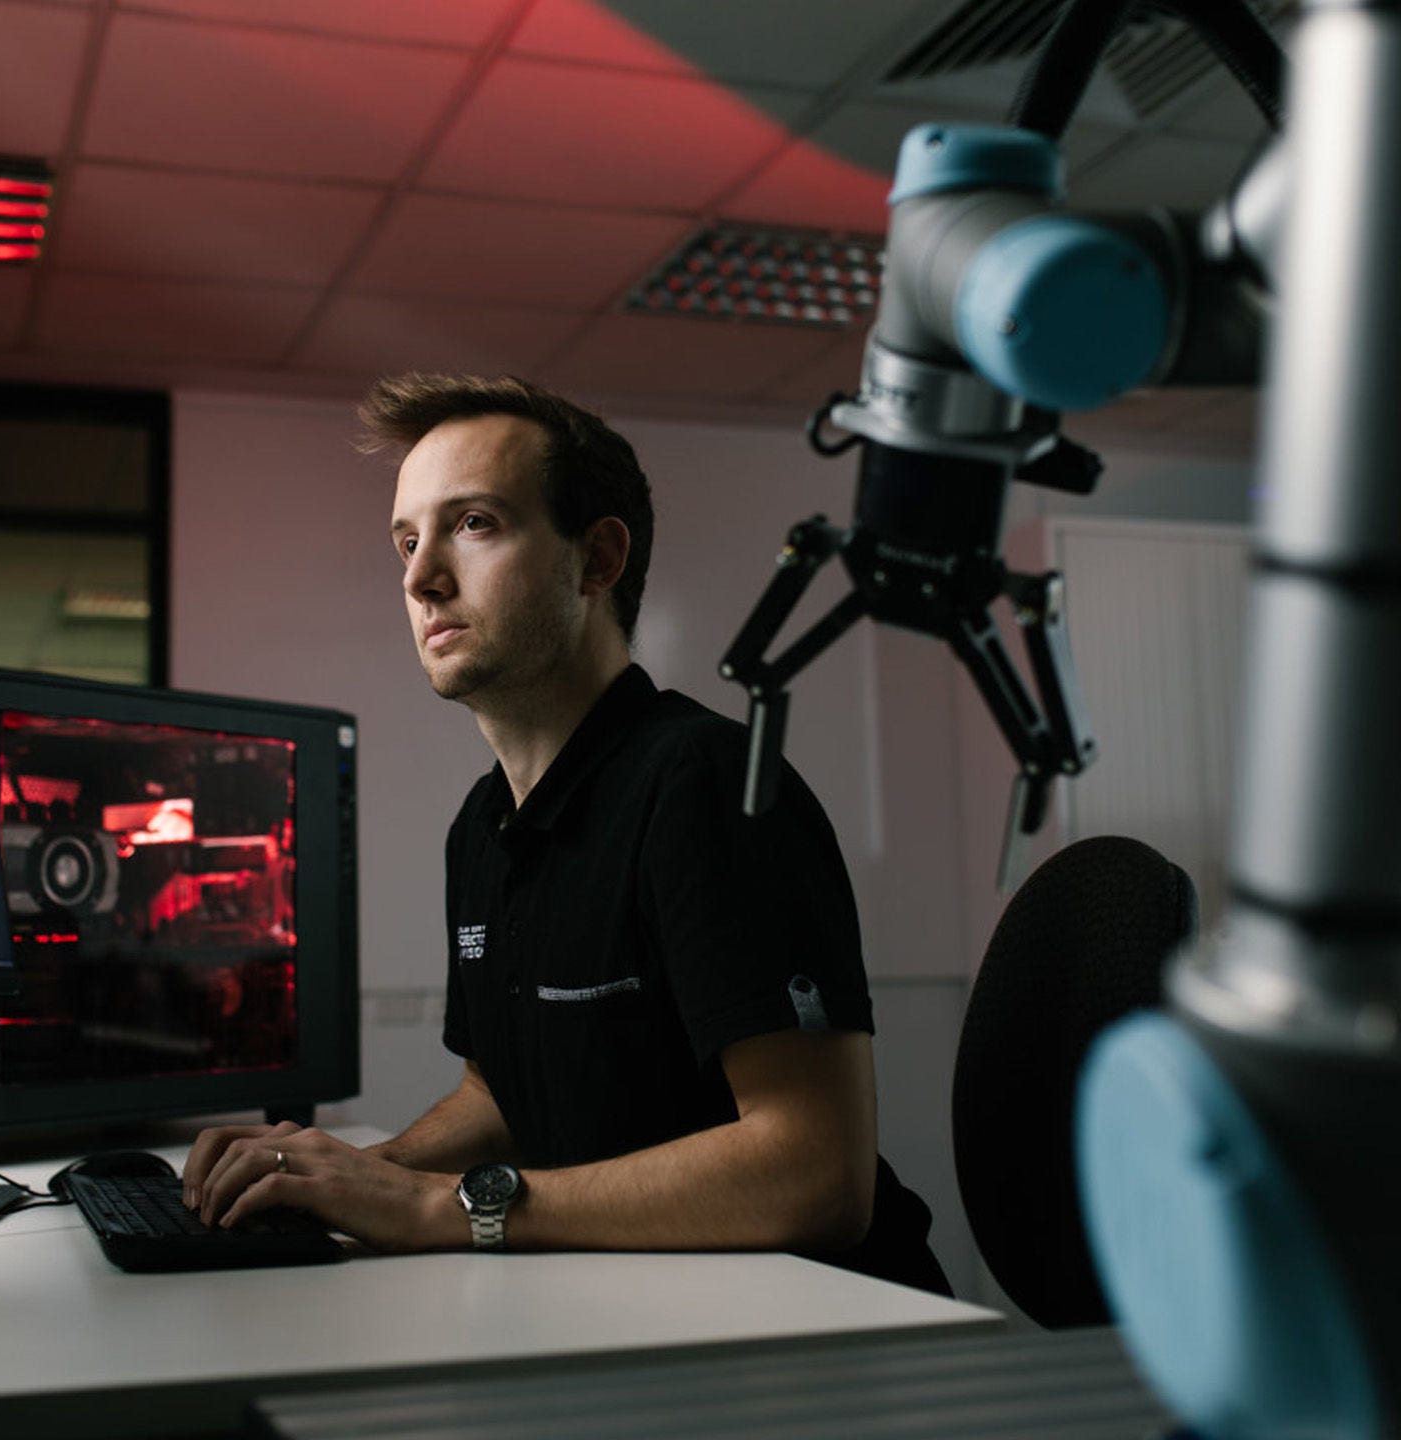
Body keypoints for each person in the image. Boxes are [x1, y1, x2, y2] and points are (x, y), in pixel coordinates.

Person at [182, 373, 948, 1293]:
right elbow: (502, 1093)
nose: (420, 577)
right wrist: (363, 1173)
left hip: (817, 1335)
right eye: (407, 538)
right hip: (624, 1306)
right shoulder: (482, 825)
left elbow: (819, 1174)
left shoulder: (704, 787)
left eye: (474, 525)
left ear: (596, 562)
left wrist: (437, 1209)